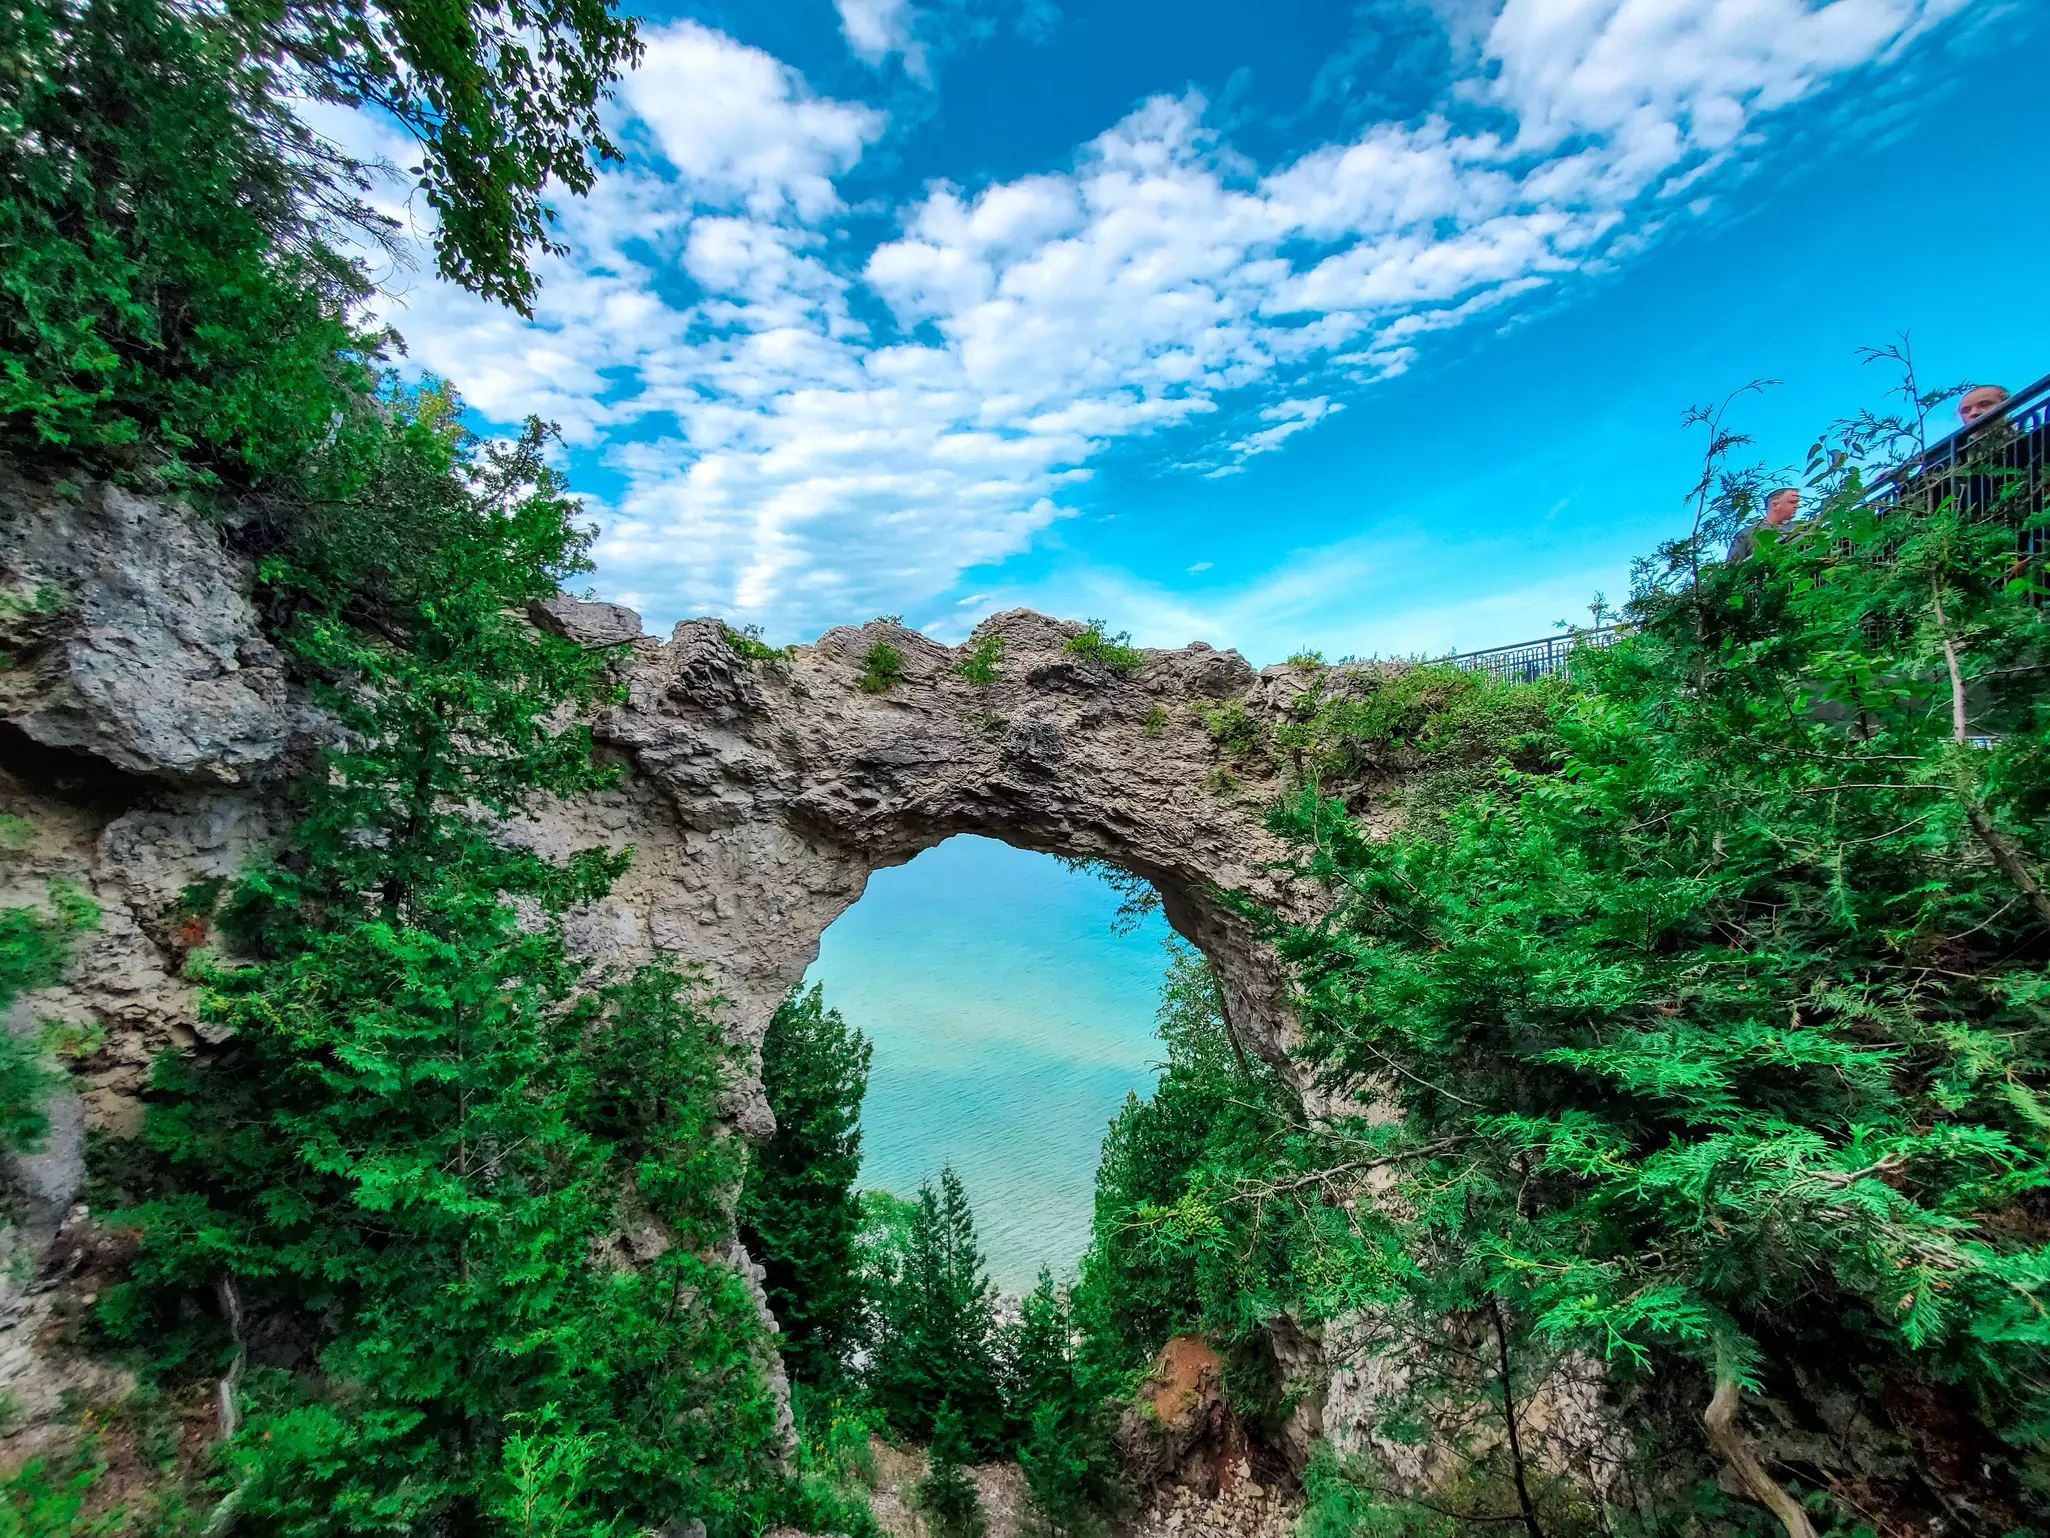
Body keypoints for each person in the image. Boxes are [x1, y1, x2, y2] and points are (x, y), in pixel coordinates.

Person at [1727, 486, 1800, 562]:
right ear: (1774, 504)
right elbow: (1732, 569)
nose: (1798, 505)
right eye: (1792, 502)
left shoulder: (1802, 530)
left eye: (1797, 502)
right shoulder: (1746, 534)